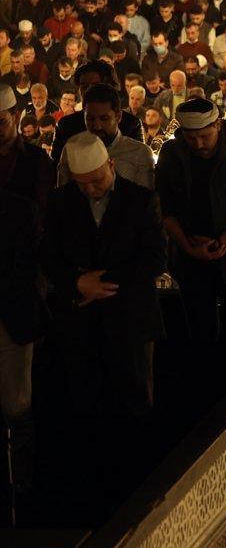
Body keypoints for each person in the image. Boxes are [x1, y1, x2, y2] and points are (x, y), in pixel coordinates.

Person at [44, 132, 165, 417]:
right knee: (85, 405)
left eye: (96, 180)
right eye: (81, 183)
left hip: (130, 318)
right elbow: (48, 257)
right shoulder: (59, 201)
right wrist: (76, 282)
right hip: (79, 321)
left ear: (111, 165)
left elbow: (155, 259)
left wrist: (99, 283)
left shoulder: (141, 200)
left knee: (134, 404)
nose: (90, 189)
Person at [156, 97, 226, 345]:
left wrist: (219, 243)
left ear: (218, 125)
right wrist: (188, 246)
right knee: (199, 334)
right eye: (191, 138)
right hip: (189, 258)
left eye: (204, 136)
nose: (198, 144)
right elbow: (164, 207)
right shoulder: (172, 153)